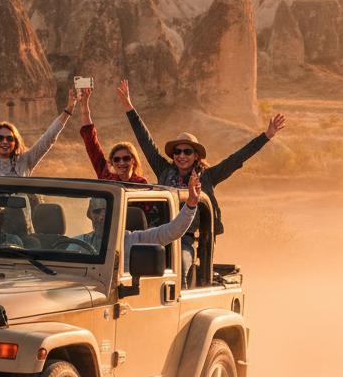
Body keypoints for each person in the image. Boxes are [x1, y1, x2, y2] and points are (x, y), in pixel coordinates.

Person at [117, 80, 285, 278]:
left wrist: (266, 136)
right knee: (127, 264)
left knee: (180, 266)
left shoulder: (207, 177)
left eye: (187, 151)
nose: (182, 156)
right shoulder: (163, 170)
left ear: (196, 155)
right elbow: (145, 141)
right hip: (157, 236)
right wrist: (129, 107)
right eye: (178, 151)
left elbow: (237, 158)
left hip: (184, 240)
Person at [70, 172, 203, 268]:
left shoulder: (133, 240)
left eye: (106, 211)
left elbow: (171, 231)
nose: (101, 217)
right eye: (96, 211)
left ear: (117, 213)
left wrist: (190, 205)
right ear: (90, 215)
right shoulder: (79, 243)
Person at [77, 87, 148, 183]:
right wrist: (84, 105)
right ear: (112, 163)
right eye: (117, 159)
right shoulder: (105, 174)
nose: (121, 163)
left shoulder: (141, 183)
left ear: (133, 161)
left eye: (126, 158)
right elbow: (91, 142)